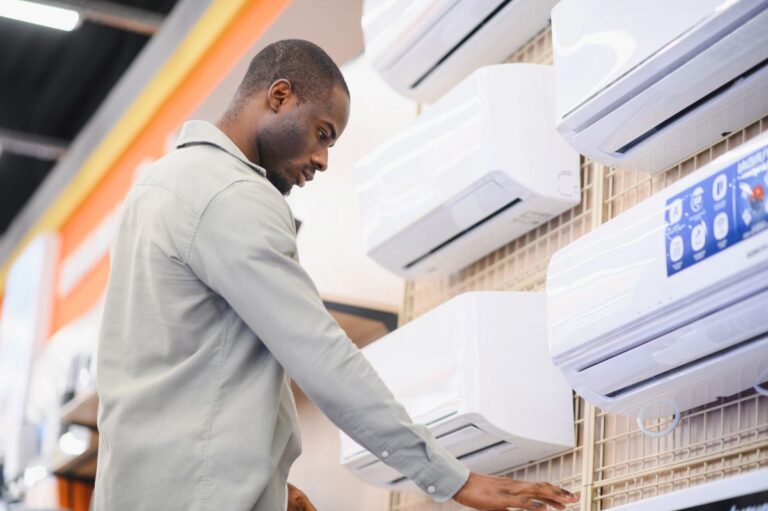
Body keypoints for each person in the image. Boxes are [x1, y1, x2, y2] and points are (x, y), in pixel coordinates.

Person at [93, 39, 579, 511]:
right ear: (279, 96)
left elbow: (185, 368)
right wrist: (452, 478)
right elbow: (319, 354)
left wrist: (271, 485)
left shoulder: (157, 189)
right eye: (323, 133)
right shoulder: (231, 194)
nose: (323, 160)